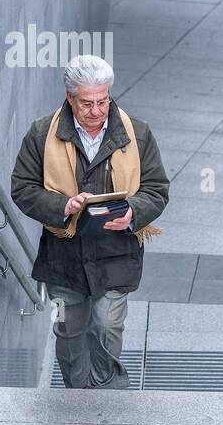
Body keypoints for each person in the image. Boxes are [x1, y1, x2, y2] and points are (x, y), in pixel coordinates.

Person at [10, 54, 170, 389]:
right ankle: (77, 395)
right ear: (70, 97)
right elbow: (22, 187)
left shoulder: (137, 133)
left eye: (103, 101)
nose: (97, 111)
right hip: (63, 257)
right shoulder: (42, 133)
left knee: (107, 326)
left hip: (116, 254)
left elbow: (157, 189)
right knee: (69, 330)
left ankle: (102, 395)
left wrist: (133, 212)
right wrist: (63, 205)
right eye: (87, 103)